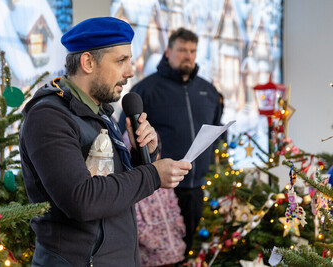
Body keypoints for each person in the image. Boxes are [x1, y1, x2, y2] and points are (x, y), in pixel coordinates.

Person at [19, 17, 192, 267]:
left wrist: (141, 154)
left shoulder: (99, 113)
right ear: (88, 62)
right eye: (121, 60)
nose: (130, 71)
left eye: (129, 60)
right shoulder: (49, 117)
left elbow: (110, 185)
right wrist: (153, 175)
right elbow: (82, 199)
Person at [119, 28, 223, 255]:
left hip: (197, 188)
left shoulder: (209, 91)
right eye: (182, 50)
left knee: (193, 253)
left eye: (192, 51)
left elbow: (217, 132)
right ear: (168, 52)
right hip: (159, 190)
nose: (188, 55)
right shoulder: (145, 90)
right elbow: (124, 138)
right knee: (162, 257)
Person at [135, 137, 186, 267]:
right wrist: (153, 242)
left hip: (173, 248)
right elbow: (136, 222)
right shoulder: (136, 187)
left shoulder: (166, 183)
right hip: (151, 256)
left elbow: (174, 207)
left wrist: (179, 227)